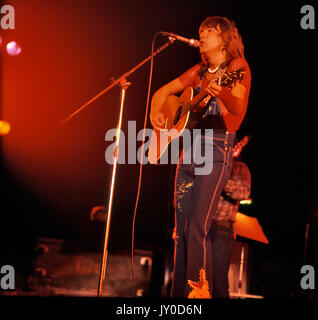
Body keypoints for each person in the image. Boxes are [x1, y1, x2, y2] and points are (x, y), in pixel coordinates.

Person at [150, 16, 251, 298]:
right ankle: (178, 298)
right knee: (180, 230)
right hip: (188, 154)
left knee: (197, 226)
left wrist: (222, 95)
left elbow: (239, 105)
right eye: (201, 31)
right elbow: (163, 92)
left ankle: (199, 294)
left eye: (210, 31)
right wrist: (158, 112)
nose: (202, 35)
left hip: (215, 151)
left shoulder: (237, 68)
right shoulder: (198, 71)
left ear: (224, 38)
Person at [208, 159, 251, 298]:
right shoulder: (210, 162)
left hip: (221, 228)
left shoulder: (239, 167)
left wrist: (221, 178)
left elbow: (244, 193)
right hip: (202, 227)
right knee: (198, 278)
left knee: (218, 281)